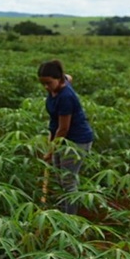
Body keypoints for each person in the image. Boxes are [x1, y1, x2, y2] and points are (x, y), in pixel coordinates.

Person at [38, 60, 94, 214]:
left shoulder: (66, 97)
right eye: (43, 83)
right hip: (62, 139)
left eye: (49, 83)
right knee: (58, 176)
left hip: (77, 140)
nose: (46, 87)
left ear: (58, 79)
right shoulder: (60, 84)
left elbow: (63, 129)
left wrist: (50, 150)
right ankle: (62, 211)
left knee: (68, 181)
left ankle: (70, 219)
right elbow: (69, 77)